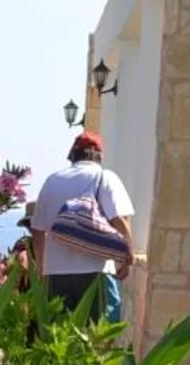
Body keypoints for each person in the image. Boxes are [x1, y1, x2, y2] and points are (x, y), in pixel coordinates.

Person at [30, 132, 134, 320]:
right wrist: (127, 256)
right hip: (95, 270)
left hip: (56, 273)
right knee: (99, 335)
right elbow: (120, 220)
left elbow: (38, 230)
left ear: (73, 155)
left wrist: (42, 269)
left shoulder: (52, 180)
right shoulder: (104, 177)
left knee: (61, 336)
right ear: (99, 155)